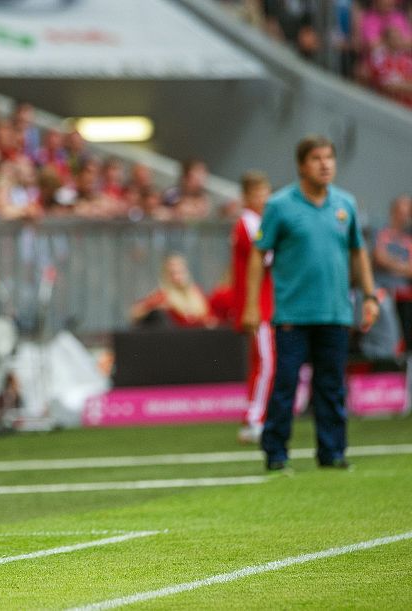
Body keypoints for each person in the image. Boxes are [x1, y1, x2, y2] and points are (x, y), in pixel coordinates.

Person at [243, 135, 379, 472]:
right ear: (302, 165)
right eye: (317, 158)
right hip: (292, 313)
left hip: (335, 311)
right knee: (286, 382)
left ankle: (332, 452)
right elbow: (259, 255)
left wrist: (370, 296)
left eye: (329, 158)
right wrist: (251, 304)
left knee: (331, 385)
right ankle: (275, 452)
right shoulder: (279, 205)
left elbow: (358, 251)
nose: (325, 164)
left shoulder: (345, 203)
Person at [231, 171, 275, 444]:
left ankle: (257, 415)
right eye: (257, 193)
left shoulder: (256, 222)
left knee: (261, 361)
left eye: (265, 192)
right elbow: (267, 256)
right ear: (246, 196)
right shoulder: (249, 223)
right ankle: (255, 419)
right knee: (267, 363)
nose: (262, 198)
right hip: (259, 305)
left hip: (265, 302)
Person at [129, 253, 216, 328]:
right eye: (172, 273)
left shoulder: (196, 293)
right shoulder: (163, 295)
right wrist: (158, 307)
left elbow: (210, 318)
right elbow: (135, 312)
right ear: (166, 275)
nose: (177, 277)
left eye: (180, 272)